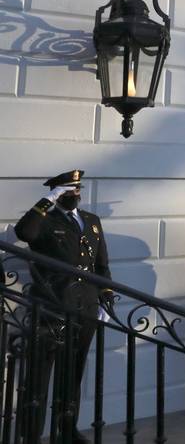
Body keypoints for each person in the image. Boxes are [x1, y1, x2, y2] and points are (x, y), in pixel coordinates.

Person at [14, 169, 113, 443]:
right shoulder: (44, 219)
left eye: (78, 189)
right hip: (51, 305)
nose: (75, 194)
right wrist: (48, 200)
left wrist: (105, 297)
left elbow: (101, 264)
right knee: (39, 375)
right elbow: (25, 232)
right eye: (69, 190)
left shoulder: (91, 221)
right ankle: (31, 433)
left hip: (86, 307)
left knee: (73, 372)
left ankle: (66, 428)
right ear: (57, 192)